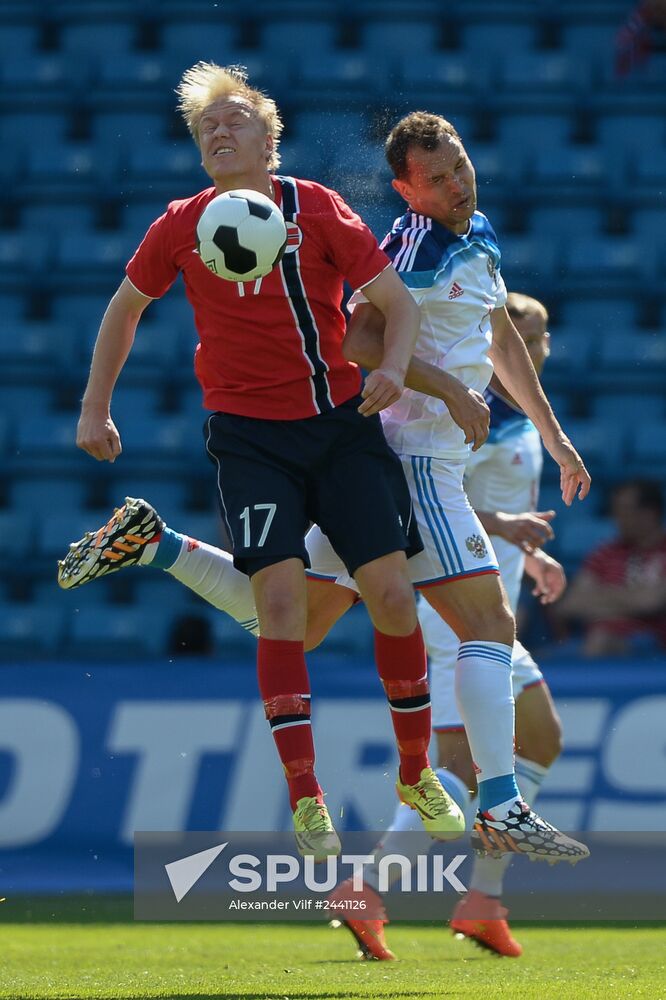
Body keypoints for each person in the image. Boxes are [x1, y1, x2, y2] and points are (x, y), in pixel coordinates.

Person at [61, 108, 589, 873]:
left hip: (346, 437)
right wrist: (444, 392)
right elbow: (361, 333)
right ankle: (495, 801)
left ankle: (162, 544)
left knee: (297, 624)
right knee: (481, 620)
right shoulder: (401, 242)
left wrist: (552, 435)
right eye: (435, 178)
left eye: (460, 168)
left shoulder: (461, 234)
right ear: (406, 191)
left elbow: (493, 333)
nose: (455, 184)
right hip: (385, 450)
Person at [332, 292, 567, 960]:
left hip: (492, 621)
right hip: (451, 616)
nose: (538, 346)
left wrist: (529, 548)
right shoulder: (460, 411)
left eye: (541, 334)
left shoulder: (515, 419)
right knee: (463, 769)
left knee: (536, 743)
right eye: (527, 334)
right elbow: (422, 494)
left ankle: (480, 902)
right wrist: (504, 528)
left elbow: (483, 504)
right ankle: (373, 890)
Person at [556, 479, 666, 656]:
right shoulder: (605, 552)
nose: (617, 518)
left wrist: (600, 598)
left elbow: (652, 603)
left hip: (653, 646)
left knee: (601, 641)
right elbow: (571, 604)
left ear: (649, 513)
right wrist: (633, 600)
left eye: (624, 511)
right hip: (596, 638)